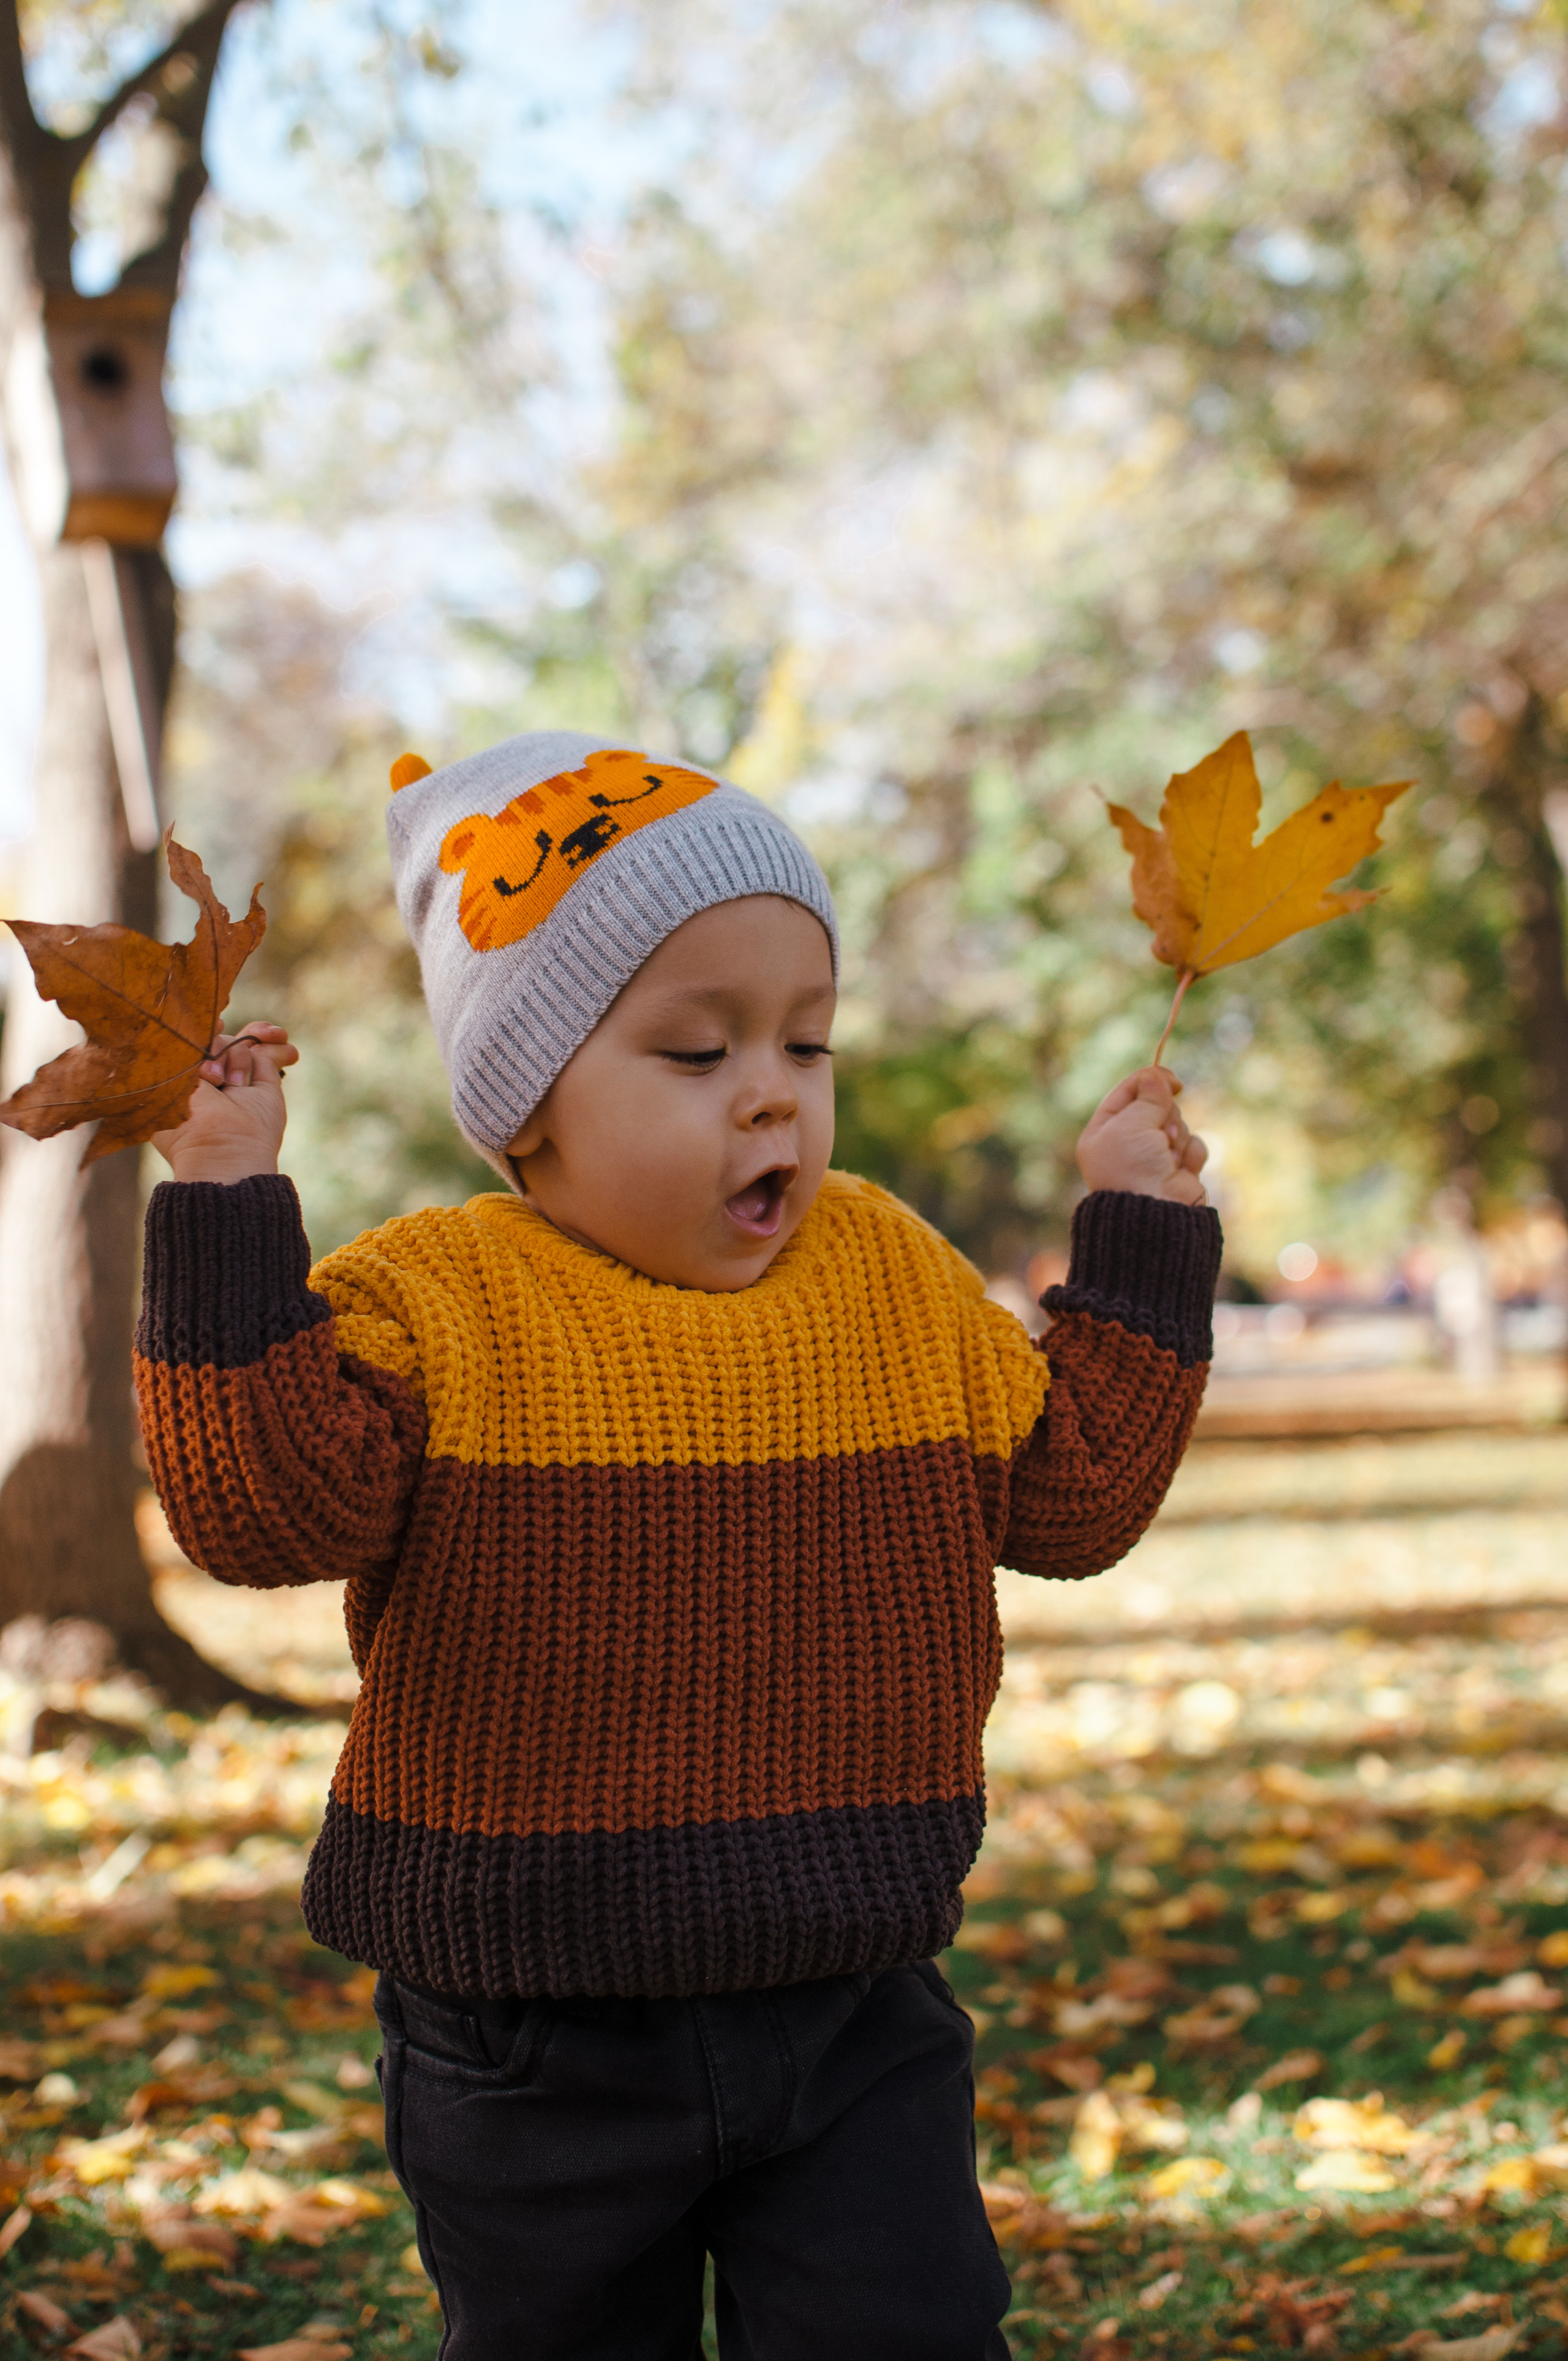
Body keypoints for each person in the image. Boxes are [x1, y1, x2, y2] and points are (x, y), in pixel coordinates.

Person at [137, 730, 1218, 2361]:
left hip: (855, 2009)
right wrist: (226, 1199)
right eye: (696, 1054)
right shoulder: (435, 1300)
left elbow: (1074, 1497)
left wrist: (1144, 1232)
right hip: (531, 2041)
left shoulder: (893, 1277)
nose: (776, 1087)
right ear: (531, 1110)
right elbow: (263, 1511)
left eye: (807, 1039)